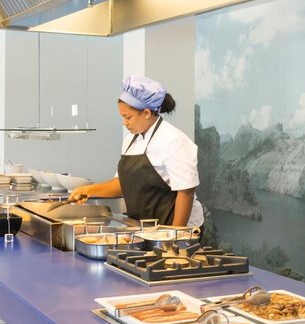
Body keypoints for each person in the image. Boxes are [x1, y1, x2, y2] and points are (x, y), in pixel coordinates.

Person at [68, 76, 204, 228]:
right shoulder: (130, 141)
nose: (124, 123)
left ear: (146, 113)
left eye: (127, 117)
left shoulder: (174, 141)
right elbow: (123, 184)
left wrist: (176, 233)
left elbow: (186, 191)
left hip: (173, 227)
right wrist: (88, 190)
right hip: (143, 227)